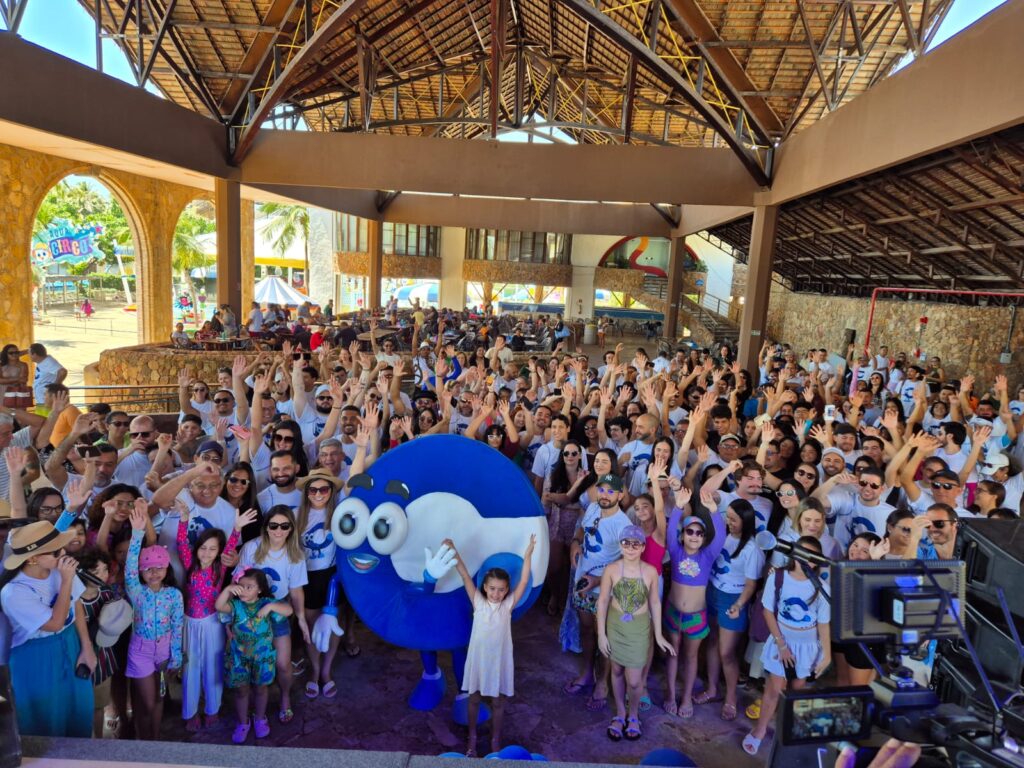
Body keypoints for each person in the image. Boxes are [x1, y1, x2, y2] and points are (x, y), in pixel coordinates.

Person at [0, 520, 96, 736]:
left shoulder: (56, 569)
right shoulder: (14, 592)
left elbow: (77, 603)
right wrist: (66, 581)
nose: (62, 552)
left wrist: (87, 647)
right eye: (54, 550)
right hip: (36, 656)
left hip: (71, 643)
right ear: (32, 558)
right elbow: (54, 623)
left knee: (78, 712)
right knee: (45, 720)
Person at [446, 534, 535, 757]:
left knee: (498, 701)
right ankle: (473, 737)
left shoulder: (507, 607)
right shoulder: (478, 602)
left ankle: (496, 738)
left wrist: (528, 555)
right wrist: (454, 550)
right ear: (485, 587)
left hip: (499, 661)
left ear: (507, 590)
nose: (496, 593)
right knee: (474, 699)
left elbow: (524, 582)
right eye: (492, 588)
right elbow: (465, 575)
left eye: (501, 589)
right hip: (479, 660)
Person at [744, 536, 831, 755]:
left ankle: (788, 733)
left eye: (811, 557)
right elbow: (768, 611)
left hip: (807, 646)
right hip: (781, 640)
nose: (805, 560)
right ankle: (761, 730)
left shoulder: (821, 587)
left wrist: (827, 655)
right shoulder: (779, 577)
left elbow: (823, 624)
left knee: (797, 692)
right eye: (802, 554)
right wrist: (782, 645)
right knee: (773, 688)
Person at [176, 504, 255, 731]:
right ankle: (190, 713)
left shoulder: (219, 569)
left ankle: (212, 709)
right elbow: (181, 543)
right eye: (203, 548)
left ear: (219, 552)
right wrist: (183, 518)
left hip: (213, 623)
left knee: (213, 667)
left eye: (212, 549)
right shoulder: (190, 565)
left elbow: (230, 545)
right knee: (191, 669)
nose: (207, 553)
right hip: (190, 624)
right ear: (197, 549)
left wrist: (237, 529)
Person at [597, 524, 674, 742]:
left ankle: (634, 714)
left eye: (635, 544)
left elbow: (655, 604)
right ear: (620, 545)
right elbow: (603, 601)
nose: (630, 547)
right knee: (617, 670)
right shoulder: (611, 569)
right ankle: (621, 713)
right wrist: (601, 634)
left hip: (639, 628)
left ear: (642, 547)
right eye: (626, 543)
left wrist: (658, 635)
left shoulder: (650, 571)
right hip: (615, 626)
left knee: (634, 679)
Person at [235, 506, 310, 724]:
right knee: (251, 663)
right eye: (273, 525)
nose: (278, 530)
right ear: (266, 526)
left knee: (283, 664)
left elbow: (296, 590)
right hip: (250, 611)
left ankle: (285, 696)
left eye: (284, 526)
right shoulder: (251, 548)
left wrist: (302, 619)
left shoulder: (295, 554)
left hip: (278, 611)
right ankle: (253, 707)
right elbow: (238, 581)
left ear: (291, 529)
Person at [564, 473, 632, 711]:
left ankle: (602, 682)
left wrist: (597, 580)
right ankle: (586, 674)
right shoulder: (593, 507)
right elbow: (582, 531)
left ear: (620, 495)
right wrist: (575, 541)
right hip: (584, 583)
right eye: (602, 490)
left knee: (604, 635)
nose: (605, 495)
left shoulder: (624, 525)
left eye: (611, 491)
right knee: (586, 630)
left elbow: (627, 565)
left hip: (605, 590)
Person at [664, 486, 727, 718]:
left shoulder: (707, 556)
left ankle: (686, 697)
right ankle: (670, 694)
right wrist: (679, 506)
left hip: (696, 618)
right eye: (689, 531)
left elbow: (720, 535)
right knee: (672, 655)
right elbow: (671, 531)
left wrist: (713, 511)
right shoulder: (676, 550)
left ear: (703, 539)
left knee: (690, 658)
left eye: (699, 533)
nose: (694, 535)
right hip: (672, 614)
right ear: (683, 535)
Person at [124, 504, 183, 741]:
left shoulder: (174, 595)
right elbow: (129, 569)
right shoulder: (136, 591)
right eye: (148, 569)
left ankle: (154, 739)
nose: (154, 572)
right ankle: (143, 737)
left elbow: (178, 626)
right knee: (147, 701)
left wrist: (176, 656)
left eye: (159, 567)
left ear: (167, 567)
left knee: (159, 698)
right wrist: (137, 534)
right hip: (141, 650)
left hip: (165, 649)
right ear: (141, 572)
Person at [703, 497, 764, 722]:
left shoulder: (752, 549)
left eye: (734, 519)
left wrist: (739, 605)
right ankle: (711, 688)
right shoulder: (724, 536)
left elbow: (751, 584)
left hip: (733, 599)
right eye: (727, 517)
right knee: (711, 641)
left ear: (746, 521)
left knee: (727, 652)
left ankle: (731, 697)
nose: (729, 522)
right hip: (713, 591)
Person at [216, 568, 293, 744]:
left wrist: (271, 606)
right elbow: (219, 606)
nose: (243, 590)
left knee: (261, 689)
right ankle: (243, 723)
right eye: (241, 586)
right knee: (241, 691)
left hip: (262, 659)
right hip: (239, 659)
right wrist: (228, 589)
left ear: (259, 589)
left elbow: (288, 610)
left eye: (249, 587)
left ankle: (260, 718)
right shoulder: (235, 605)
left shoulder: (266, 603)